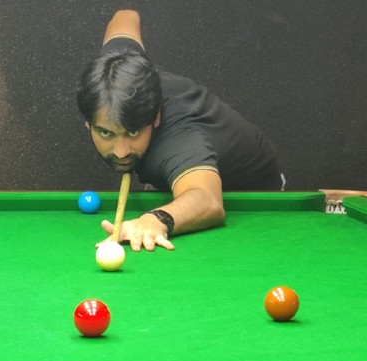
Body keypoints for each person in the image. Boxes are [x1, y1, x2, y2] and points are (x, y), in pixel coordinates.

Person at [77, 10, 285, 252]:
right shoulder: (117, 67)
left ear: (155, 118)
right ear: (88, 122)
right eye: (106, 133)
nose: (121, 151)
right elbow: (126, 16)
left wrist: (155, 219)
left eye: (132, 132)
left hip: (252, 194)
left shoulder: (179, 139)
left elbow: (208, 200)